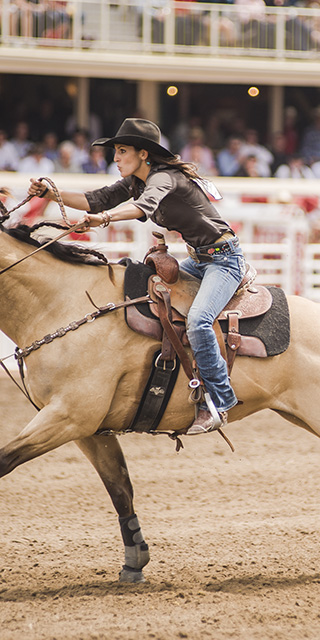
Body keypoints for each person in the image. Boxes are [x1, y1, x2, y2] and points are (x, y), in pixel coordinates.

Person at [28, 118, 246, 435]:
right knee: (141, 287)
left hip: (224, 261)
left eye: (122, 150)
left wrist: (103, 219)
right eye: (115, 151)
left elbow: (142, 208)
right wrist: (53, 194)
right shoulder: (136, 181)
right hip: (198, 259)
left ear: (143, 154)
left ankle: (220, 400)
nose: (115, 157)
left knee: (199, 320)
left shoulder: (165, 178)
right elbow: (95, 199)